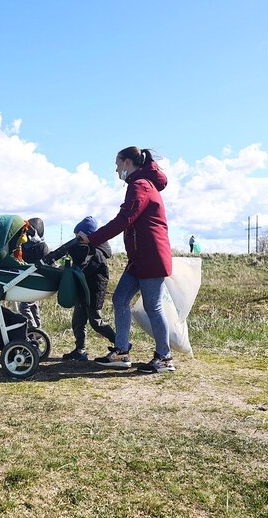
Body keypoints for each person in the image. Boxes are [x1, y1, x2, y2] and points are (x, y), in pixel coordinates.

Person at [78, 146, 175, 373]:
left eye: (117, 164)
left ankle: (164, 357)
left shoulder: (140, 185)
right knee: (120, 298)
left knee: (153, 306)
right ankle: (121, 352)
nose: (115, 170)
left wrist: (92, 239)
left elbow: (124, 219)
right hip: (139, 259)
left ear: (128, 163)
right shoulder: (141, 184)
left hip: (151, 258)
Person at [63, 216, 116, 362]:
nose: (76, 239)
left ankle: (120, 343)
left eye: (78, 236)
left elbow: (85, 269)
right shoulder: (86, 249)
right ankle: (80, 350)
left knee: (96, 322)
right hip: (83, 290)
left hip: (94, 291)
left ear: (88, 235)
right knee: (78, 321)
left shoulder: (97, 253)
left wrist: (76, 257)